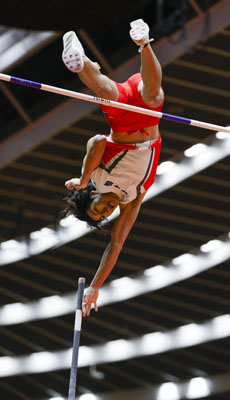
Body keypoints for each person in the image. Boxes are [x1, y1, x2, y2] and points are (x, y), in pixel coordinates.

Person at [62, 19, 164, 316]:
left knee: (105, 89)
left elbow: (96, 141)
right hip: (148, 119)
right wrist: (95, 286)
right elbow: (116, 244)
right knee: (154, 94)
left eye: (98, 208)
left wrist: (83, 179)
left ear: (90, 195)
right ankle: (143, 42)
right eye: (105, 214)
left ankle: (80, 65)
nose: (107, 210)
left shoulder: (97, 177)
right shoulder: (131, 200)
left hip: (123, 123)